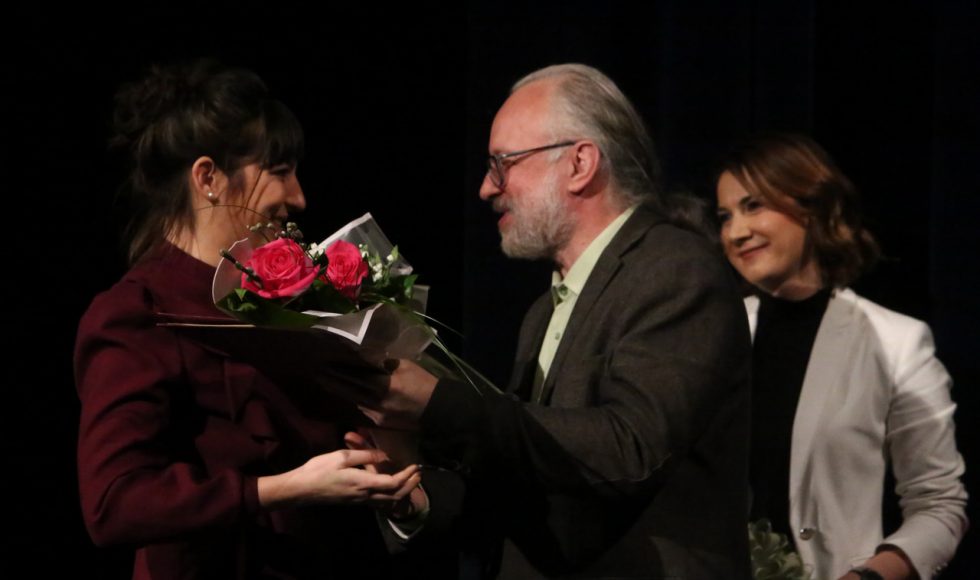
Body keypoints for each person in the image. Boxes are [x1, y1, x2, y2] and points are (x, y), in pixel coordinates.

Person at [358, 64, 754, 579]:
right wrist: (411, 494)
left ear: (580, 164)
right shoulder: (545, 310)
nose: (486, 188)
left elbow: (630, 451)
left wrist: (438, 402)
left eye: (503, 163)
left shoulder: (676, 269)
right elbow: (536, 477)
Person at [74, 59, 422, 579]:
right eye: (279, 171)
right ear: (208, 178)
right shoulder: (138, 312)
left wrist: (384, 473)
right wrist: (284, 488)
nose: (299, 198)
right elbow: (114, 504)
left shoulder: (284, 302)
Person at [714, 133, 968, 580]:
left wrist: (866, 577)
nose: (736, 232)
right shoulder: (711, 332)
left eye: (754, 206)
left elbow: (939, 506)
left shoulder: (896, 341)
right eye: (725, 216)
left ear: (812, 207)